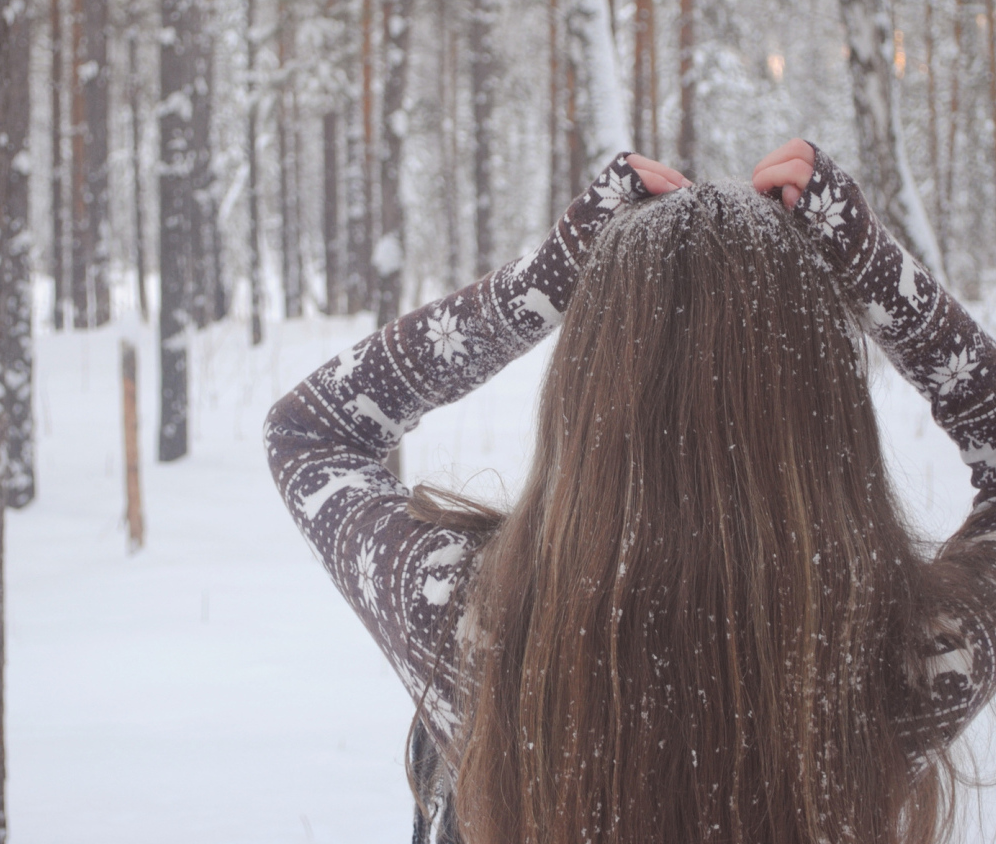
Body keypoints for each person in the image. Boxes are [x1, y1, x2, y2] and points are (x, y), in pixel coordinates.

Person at [264, 138, 996, 844]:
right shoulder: (895, 667)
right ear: (826, 416)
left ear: (586, 394)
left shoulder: (475, 627)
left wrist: (537, 285)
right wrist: (879, 274)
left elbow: (310, 434)